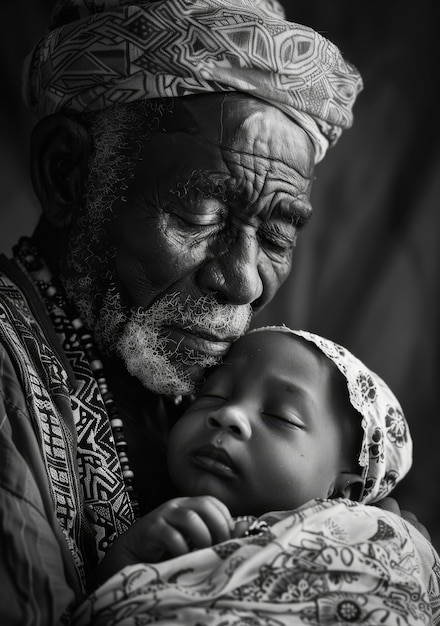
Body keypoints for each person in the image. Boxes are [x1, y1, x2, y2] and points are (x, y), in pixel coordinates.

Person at [0, 0, 422, 624]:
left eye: (276, 238)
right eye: (199, 217)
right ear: (66, 174)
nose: (244, 278)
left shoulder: (214, 380)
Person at [72, 326, 440, 625]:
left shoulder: (366, 546)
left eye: (282, 417)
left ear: (343, 494)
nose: (229, 415)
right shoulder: (161, 532)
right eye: (213, 396)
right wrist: (127, 558)